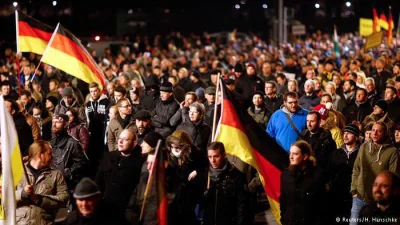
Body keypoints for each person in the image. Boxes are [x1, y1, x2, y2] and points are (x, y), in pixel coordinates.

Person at [350, 122, 400, 225]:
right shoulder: (364, 147)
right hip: (359, 197)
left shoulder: (392, 152)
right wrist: (354, 190)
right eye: (373, 130)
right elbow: (356, 169)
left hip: (377, 202)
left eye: (379, 131)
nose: (375, 133)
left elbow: (393, 177)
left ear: (385, 133)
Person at [96, 129, 143, 224]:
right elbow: (98, 182)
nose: (120, 142)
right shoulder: (108, 157)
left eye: (125, 139)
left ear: (134, 143)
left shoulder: (140, 162)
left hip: (124, 212)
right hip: (105, 208)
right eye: (119, 139)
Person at [16, 141, 69, 225]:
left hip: (44, 222)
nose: (52, 157)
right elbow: (4, 196)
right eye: (49, 154)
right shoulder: (17, 171)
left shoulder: (56, 175)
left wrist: (40, 199)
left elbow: (64, 199)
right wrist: (22, 193)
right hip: (19, 222)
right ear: (40, 155)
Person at [202, 142, 251, 225]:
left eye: (216, 156)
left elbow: (242, 206)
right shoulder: (206, 175)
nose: (212, 160)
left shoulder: (236, 176)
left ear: (224, 155)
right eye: (210, 157)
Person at [280, 140, 327, 225]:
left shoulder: (317, 175)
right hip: (290, 221)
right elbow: (283, 199)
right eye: (290, 153)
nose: (291, 157)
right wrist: (283, 218)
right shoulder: (285, 175)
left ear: (305, 156)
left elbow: (322, 203)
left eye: (295, 154)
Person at [329, 124, 361, 222]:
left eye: (349, 133)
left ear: (356, 136)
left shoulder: (362, 154)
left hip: (354, 196)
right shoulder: (336, 153)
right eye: (344, 133)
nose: (345, 136)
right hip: (337, 195)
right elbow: (330, 172)